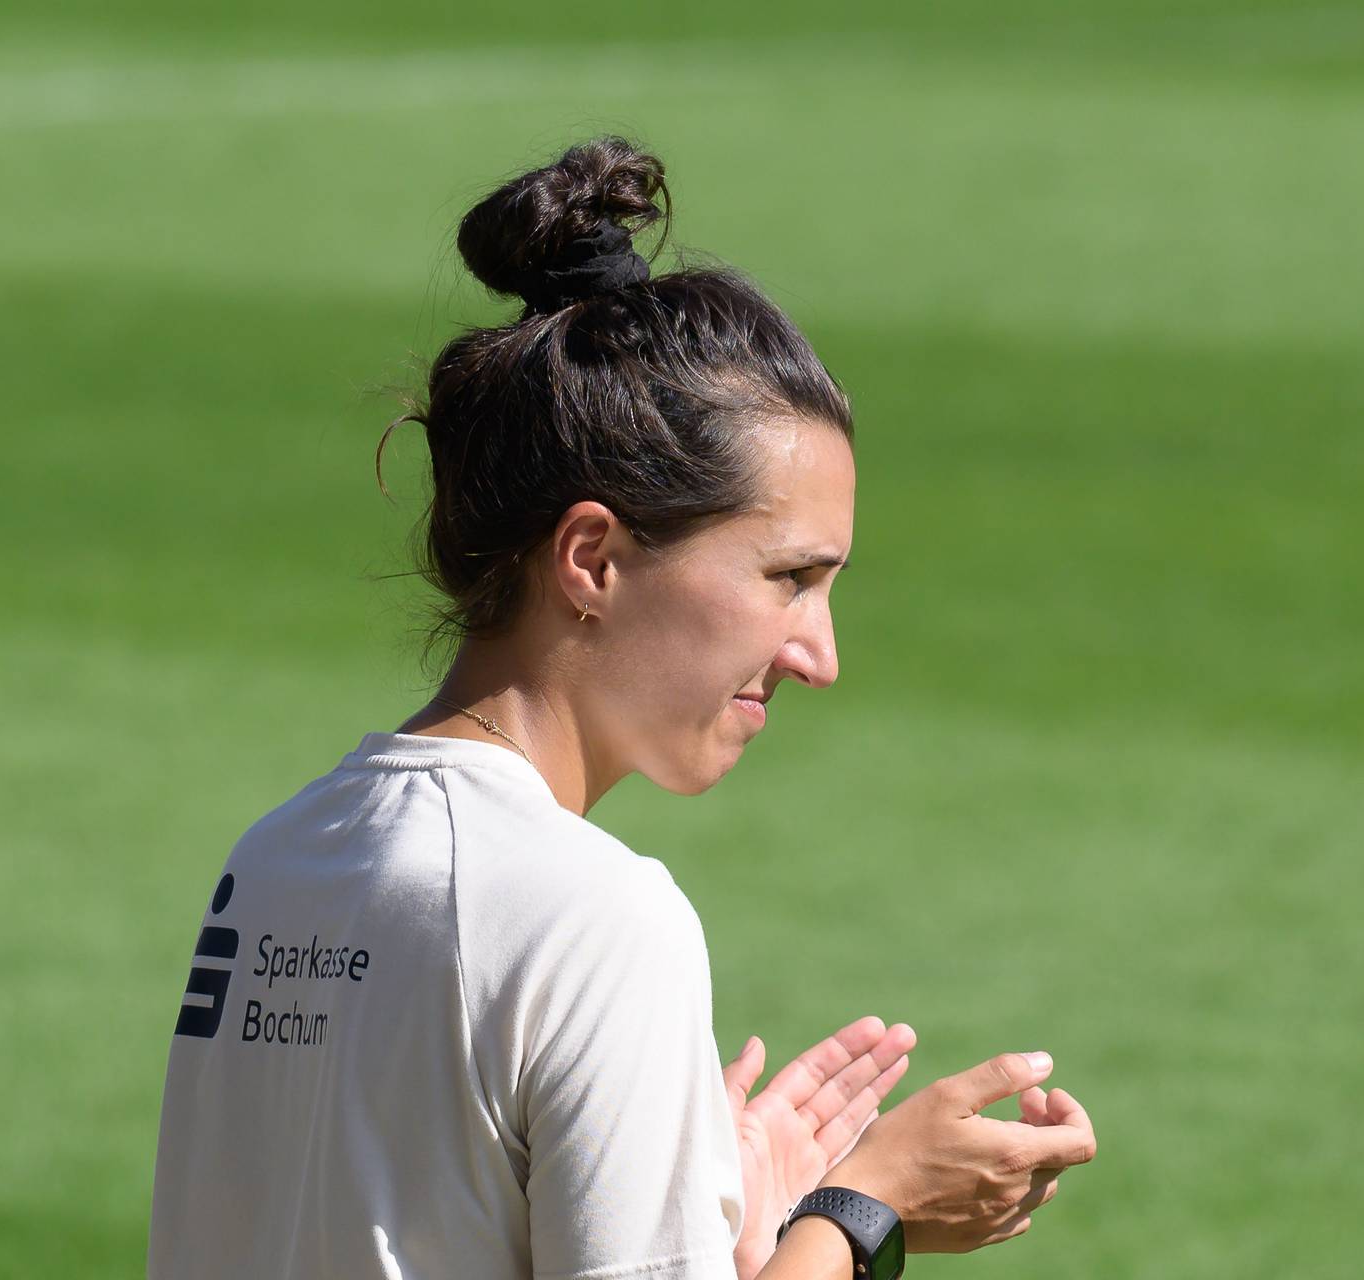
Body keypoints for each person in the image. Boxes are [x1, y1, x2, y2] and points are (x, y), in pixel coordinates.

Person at [148, 136, 1097, 1280]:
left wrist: (705, 1212)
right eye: (787, 577)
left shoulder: (276, 857)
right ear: (592, 555)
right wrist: (860, 1211)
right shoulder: (597, 921)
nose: (820, 654)